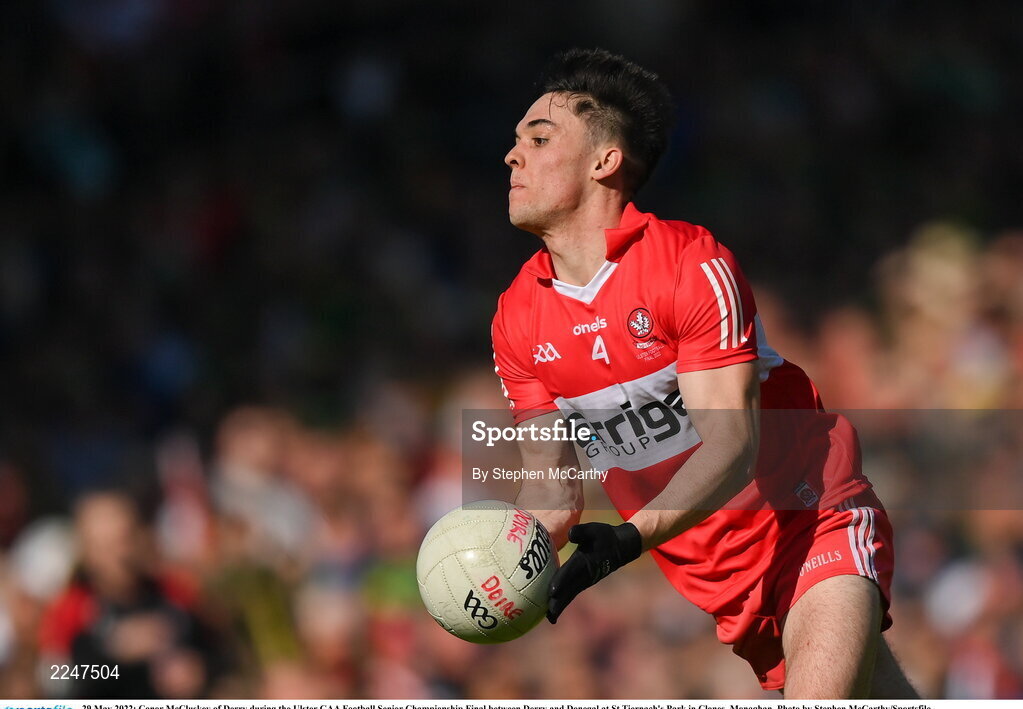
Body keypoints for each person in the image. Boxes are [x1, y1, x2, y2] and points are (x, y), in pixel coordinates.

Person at [491, 48, 919, 699]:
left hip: (808, 517)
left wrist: (628, 539)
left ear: (604, 161)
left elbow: (732, 445)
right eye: (516, 139)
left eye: (538, 137)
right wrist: (498, 559)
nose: (511, 155)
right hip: (720, 584)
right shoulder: (516, 319)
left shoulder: (689, 265)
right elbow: (551, 490)